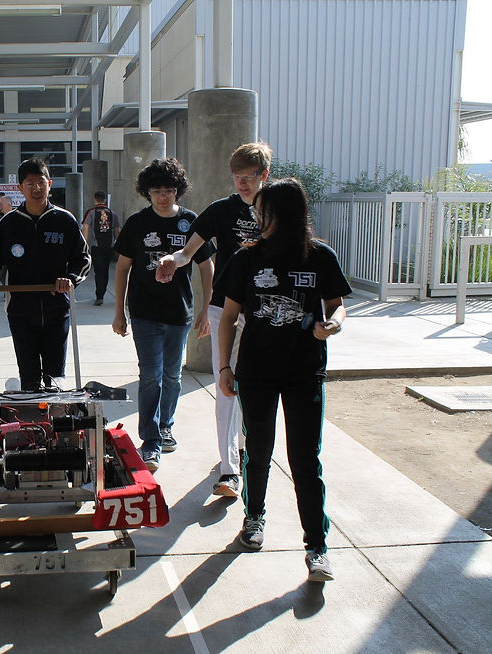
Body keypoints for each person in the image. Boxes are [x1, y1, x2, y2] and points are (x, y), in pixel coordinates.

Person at [218, 177, 350, 582]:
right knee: (257, 452)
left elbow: (337, 306)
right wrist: (224, 367)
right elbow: (227, 318)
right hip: (256, 372)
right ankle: (254, 520)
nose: (259, 218)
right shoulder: (246, 258)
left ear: (285, 214)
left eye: (265, 211)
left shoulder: (320, 256)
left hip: (304, 371)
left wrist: (333, 325)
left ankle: (317, 547)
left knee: (305, 459)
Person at [156, 142, 271, 497]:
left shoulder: (278, 209)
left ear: (264, 175)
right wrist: (172, 259)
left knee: (255, 390)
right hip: (225, 308)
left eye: (248, 178)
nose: (241, 184)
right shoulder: (221, 210)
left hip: (266, 312)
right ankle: (229, 471)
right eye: (236, 177)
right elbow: (189, 250)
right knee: (227, 386)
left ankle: (242, 447)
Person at [112, 158, 214, 472]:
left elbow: (207, 267)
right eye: (157, 191)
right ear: (148, 192)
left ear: (177, 191)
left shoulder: (191, 222)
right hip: (143, 312)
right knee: (150, 376)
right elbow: (122, 269)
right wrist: (119, 312)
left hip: (178, 313)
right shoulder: (137, 223)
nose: (163, 197)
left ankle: (166, 425)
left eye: (169, 190)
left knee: (172, 376)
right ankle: (151, 440)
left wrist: (206, 309)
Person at [0, 158, 91, 391]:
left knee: (55, 380)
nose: (36, 188)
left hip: (57, 309)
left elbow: (83, 258)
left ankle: (55, 424)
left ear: (50, 184)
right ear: (20, 188)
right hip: (20, 311)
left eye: (41, 182)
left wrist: (70, 278)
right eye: (29, 183)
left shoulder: (65, 220)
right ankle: (32, 425)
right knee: (29, 378)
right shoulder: (8, 223)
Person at [82, 190, 122, 306]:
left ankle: (99, 296)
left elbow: (85, 228)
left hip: (96, 246)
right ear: (105, 200)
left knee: (98, 271)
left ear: (95, 199)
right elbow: (117, 230)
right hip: (109, 246)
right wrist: (117, 247)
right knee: (105, 270)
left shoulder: (91, 212)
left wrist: (85, 245)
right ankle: (102, 292)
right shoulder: (112, 213)